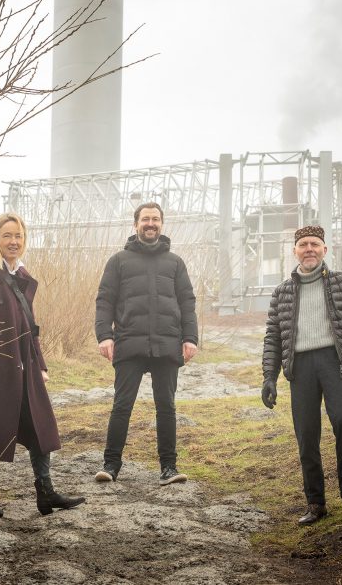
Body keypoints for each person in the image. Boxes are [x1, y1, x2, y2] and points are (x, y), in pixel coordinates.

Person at [0, 213, 85, 518]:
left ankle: (46, 492)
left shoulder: (22, 278)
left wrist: (40, 363)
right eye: (7, 236)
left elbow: (31, 327)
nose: (13, 242)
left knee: (40, 428)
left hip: (24, 369)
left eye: (18, 236)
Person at [261, 224, 342, 524]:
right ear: (294, 251)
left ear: (325, 249)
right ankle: (315, 503)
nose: (308, 249)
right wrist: (268, 377)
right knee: (306, 436)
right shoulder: (282, 292)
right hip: (300, 368)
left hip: (335, 363)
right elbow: (273, 336)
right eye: (303, 244)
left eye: (314, 244)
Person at [94, 202, 198, 486]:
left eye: (155, 219)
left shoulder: (175, 263)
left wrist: (190, 338)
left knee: (166, 406)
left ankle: (168, 468)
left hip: (167, 344)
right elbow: (104, 300)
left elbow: (187, 302)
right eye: (145, 219)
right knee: (122, 405)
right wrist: (104, 335)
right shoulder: (118, 261)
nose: (150, 224)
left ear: (162, 224)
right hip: (129, 343)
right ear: (135, 224)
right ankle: (110, 465)